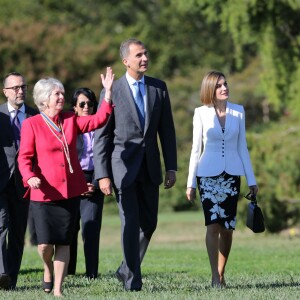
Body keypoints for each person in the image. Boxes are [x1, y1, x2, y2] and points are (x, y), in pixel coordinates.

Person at [17, 68, 114, 297]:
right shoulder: (32, 124)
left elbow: (99, 120)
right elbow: (24, 157)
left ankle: (58, 290)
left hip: (69, 191)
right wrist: (29, 176)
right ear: (44, 100)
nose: (62, 97)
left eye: (62, 93)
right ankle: (47, 268)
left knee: (63, 242)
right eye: (56, 94)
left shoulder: (71, 119)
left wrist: (107, 93)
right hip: (44, 193)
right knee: (44, 245)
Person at [93, 38, 177, 291]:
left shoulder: (158, 88)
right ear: (125, 61)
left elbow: (167, 132)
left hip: (150, 167)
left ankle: (125, 269)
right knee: (129, 222)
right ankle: (133, 281)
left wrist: (171, 166)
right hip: (122, 168)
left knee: (149, 223)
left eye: (146, 53)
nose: (144, 58)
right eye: (138, 55)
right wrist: (102, 174)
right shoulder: (112, 91)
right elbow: (102, 137)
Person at [186, 71, 258, 288]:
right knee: (212, 226)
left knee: (227, 227)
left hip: (231, 176)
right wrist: (190, 183)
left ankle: (221, 272)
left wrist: (251, 179)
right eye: (219, 85)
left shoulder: (238, 111)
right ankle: (214, 278)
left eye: (225, 84)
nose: (225, 88)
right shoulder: (200, 113)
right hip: (207, 176)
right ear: (210, 89)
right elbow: (195, 149)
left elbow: (242, 147)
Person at [0, 72, 38, 289]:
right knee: (0, 225)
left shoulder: (35, 116)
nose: (20, 91)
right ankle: (1, 271)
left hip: (24, 183)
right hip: (0, 181)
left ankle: (10, 281)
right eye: (15, 88)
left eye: (23, 87)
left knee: (17, 233)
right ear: (5, 91)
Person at [68, 87, 104, 279]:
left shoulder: (102, 125)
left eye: (90, 103)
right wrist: (78, 183)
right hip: (73, 179)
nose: (86, 107)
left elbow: (106, 156)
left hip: (95, 179)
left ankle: (91, 273)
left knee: (91, 229)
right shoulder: (68, 126)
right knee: (70, 228)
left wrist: (97, 182)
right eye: (82, 104)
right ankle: (68, 271)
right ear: (74, 107)